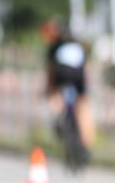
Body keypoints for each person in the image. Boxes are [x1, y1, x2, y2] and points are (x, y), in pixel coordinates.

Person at [41, 20, 96, 152]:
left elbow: (51, 71)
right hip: (78, 75)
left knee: (56, 96)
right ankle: (87, 144)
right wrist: (84, 90)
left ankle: (57, 119)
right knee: (82, 106)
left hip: (62, 72)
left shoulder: (55, 46)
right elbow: (85, 67)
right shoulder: (78, 44)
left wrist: (49, 89)